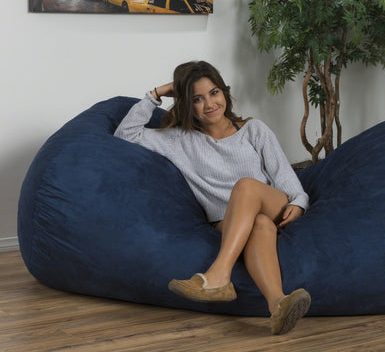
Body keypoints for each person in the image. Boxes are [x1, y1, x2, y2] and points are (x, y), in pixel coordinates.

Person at [114, 61, 311, 335]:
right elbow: (125, 135)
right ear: (187, 104)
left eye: (214, 93)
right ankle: (278, 304)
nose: (209, 104)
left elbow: (287, 181)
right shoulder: (179, 140)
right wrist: (157, 93)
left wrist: (298, 203)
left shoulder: (253, 130)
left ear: (224, 93)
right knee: (259, 224)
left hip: (274, 205)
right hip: (229, 222)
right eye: (197, 99)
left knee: (246, 187)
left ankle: (219, 274)